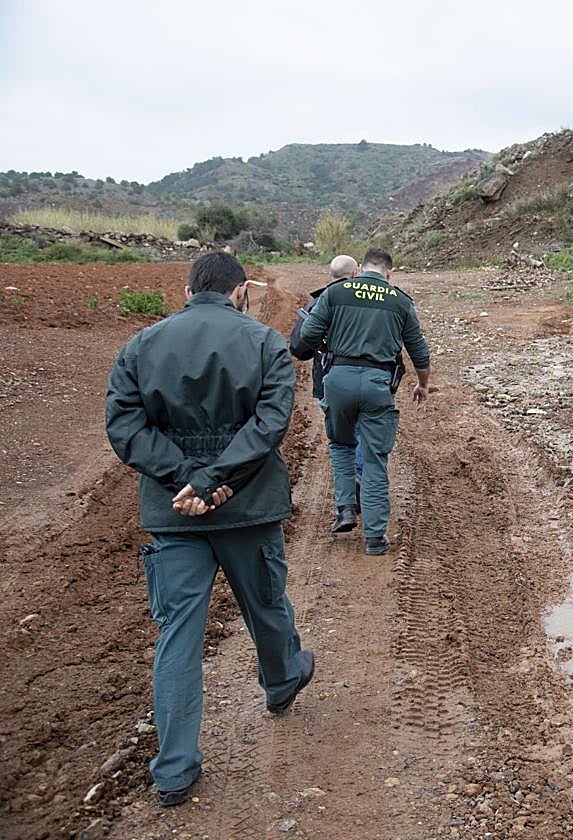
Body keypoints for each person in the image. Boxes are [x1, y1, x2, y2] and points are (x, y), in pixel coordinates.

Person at [106, 252, 314, 807]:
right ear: (240, 290)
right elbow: (271, 423)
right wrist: (213, 480)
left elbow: (124, 426)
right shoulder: (266, 343)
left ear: (187, 288)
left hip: (174, 515)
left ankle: (174, 770)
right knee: (266, 606)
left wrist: (186, 480)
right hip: (246, 506)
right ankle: (282, 681)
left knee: (177, 635)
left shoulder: (141, 345)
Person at [294, 248, 430, 555]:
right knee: (374, 459)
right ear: (389, 273)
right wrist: (422, 385)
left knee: (341, 445)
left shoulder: (336, 292)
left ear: (361, 268)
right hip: (377, 383)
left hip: (338, 380)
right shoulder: (399, 300)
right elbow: (419, 351)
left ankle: (345, 508)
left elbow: (308, 336)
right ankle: (374, 537)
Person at [290, 255, 365, 520]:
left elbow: (299, 348)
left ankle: (348, 494)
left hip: (330, 382)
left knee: (341, 439)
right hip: (368, 379)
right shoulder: (369, 300)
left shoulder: (318, 302)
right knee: (364, 433)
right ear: (355, 272)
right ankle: (360, 480)